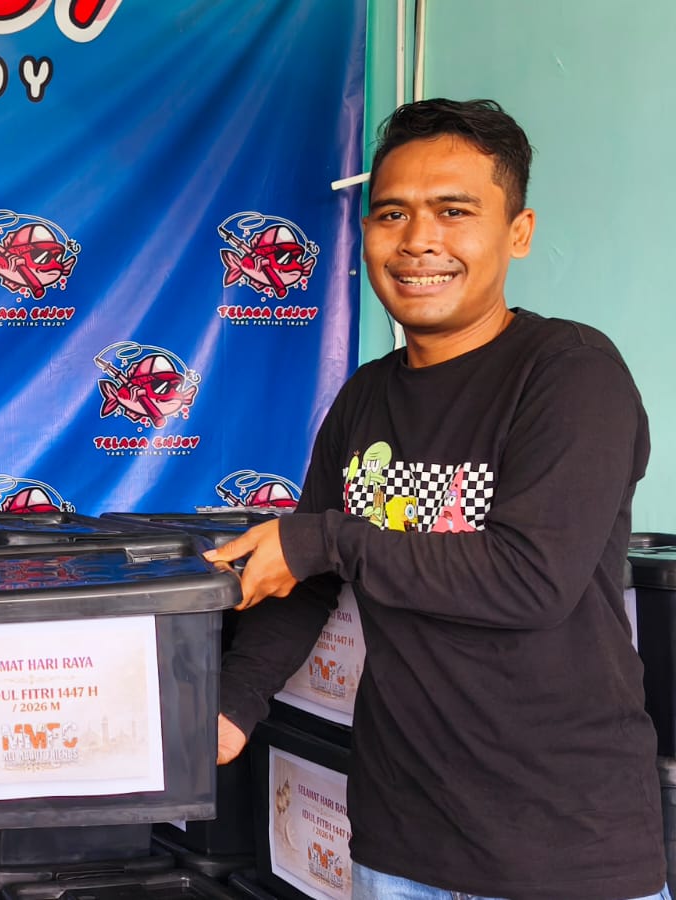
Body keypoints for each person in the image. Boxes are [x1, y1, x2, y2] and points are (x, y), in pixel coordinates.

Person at [207, 98, 667, 900]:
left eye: (454, 212)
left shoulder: (571, 373)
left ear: (518, 232)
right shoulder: (363, 398)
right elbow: (306, 579)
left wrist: (323, 539)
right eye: (393, 214)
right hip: (397, 844)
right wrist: (232, 706)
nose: (418, 240)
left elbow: (530, 578)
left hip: (565, 851)